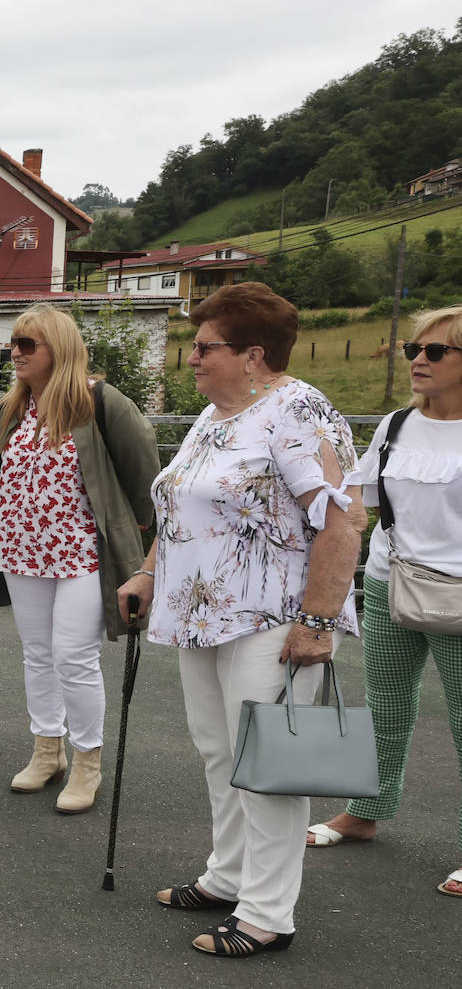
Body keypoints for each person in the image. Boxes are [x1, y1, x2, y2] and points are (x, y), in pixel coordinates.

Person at [116, 282, 365, 958]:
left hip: (275, 619)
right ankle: (228, 876)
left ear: (253, 354)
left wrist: (317, 621)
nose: (190, 358)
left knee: (267, 764)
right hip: (202, 615)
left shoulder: (298, 410)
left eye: (204, 346)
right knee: (220, 752)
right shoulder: (213, 417)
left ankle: (267, 913)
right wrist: (147, 570)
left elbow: (344, 520)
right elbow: (182, 506)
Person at [0, 304, 159, 814]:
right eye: (14, 344)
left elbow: (143, 464)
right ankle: (48, 750)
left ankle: (87, 761)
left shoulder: (97, 402)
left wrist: (133, 531)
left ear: (58, 350)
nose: (16, 353)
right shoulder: (11, 407)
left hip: (80, 554)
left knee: (75, 656)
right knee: (38, 654)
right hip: (21, 550)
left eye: (29, 345)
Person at [306, 305, 462, 900]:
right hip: (390, 580)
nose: (418, 360)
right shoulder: (396, 425)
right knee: (385, 704)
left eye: (436, 351)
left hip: (459, 593)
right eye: (413, 351)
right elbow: (357, 505)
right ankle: (365, 811)